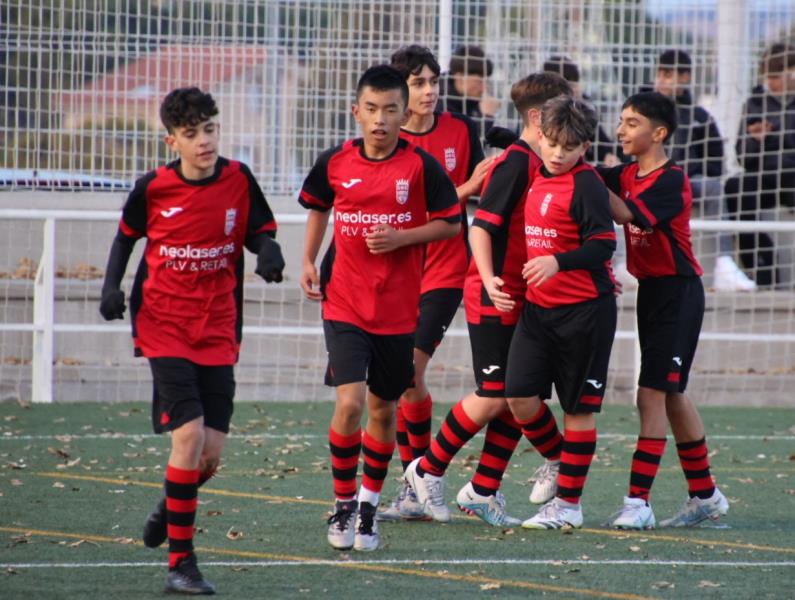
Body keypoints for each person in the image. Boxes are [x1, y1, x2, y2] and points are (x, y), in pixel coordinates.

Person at [98, 87, 284, 594]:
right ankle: (181, 563)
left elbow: (260, 231)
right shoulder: (153, 188)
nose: (204, 141)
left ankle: (169, 508)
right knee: (189, 436)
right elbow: (125, 238)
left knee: (209, 456)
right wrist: (111, 285)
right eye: (191, 133)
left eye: (210, 129)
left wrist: (268, 251)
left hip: (219, 327)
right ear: (171, 140)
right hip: (164, 325)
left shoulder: (238, 179)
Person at [298, 64, 461, 552]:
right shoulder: (335, 162)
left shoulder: (420, 166)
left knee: (383, 410)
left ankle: (370, 507)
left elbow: (452, 223)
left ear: (402, 112)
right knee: (349, 404)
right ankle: (344, 502)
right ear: (357, 112)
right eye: (371, 109)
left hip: (396, 309)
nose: (381, 120)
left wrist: (402, 237)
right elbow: (318, 205)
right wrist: (308, 258)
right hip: (344, 302)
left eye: (391, 110)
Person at [403, 72, 572, 526]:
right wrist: (490, 277)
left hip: (526, 296)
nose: (570, 124)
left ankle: (483, 488)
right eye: (563, 111)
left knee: (523, 396)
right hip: (494, 294)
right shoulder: (515, 163)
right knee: (497, 394)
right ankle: (428, 468)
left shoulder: (543, 162)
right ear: (538, 117)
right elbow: (481, 225)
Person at [599, 91, 728, 529]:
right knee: (671, 392)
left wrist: (587, 184)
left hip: (679, 294)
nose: (621, 130)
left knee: (650, 393)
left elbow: (632, 216)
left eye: (631, 123)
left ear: (659, 133)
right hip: (653, 293)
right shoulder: (627, 172)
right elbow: (587, 174)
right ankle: (705, 494)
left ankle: (638, 503)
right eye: (621, 121)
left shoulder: (672, 180)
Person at [376, 45, 492, 521]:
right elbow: (398, 215)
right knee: (408, 383)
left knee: (407, 373)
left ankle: (417, 481)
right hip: (397, 275)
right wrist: (460, 190)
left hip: (446, 271)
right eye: (419, 83)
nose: (429, 91)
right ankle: (416, 483)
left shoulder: (460, 130)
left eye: (433, 81)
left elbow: (482, 190)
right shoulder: (385, 141)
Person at [505, 94, 617, 530]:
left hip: (584, 313)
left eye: (568, 147)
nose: (557, 153)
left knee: (577, 410)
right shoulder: (536, 169)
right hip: (539, 310)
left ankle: (568, 507)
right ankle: (557, 457)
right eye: (551, 142)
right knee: (517, 395)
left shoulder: (587, 184)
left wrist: (557, 261)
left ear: (584, 147)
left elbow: (604, 244)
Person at [650, 49, 755, 291]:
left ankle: (724, 265)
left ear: (685, 78)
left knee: (714, 188)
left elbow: (716, 160)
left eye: (669, 74)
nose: (663, 80)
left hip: (686, 182)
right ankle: (624, 264)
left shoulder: (700, 117)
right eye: (660, 73)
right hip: (648, 179)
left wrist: (687, 172)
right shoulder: (642, 112)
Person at [727, 42, 795, 289]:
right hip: (765, 177)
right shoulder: (755, 103)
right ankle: (762, 268)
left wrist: (776, 141)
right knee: (736, 187)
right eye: (768, 77)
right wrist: (756, 141)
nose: (771, 83)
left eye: (776, 77)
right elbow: (742, 157)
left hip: (791, 177)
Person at [542, 55, 623, 166]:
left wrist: (607, 155)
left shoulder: (584, 108)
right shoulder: (544, 113)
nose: (576, 88)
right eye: (570, 85)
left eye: (576, 82)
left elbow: (601, 141)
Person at [437, 45, 500, 138]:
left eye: (486, 82)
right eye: (479, 82)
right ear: (459, 77)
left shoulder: (470, 99)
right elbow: (463, 144)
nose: (484, 88)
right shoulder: (438, 102)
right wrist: (486, 117)